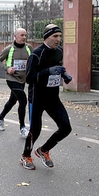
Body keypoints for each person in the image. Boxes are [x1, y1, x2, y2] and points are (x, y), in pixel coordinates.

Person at [20, 24, 72, 170]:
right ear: (47, 37)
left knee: (66, 128)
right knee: (35, 130)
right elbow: (29, 78)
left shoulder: (59, 51)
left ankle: (43, 150)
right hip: (37, 98)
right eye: (55, 36)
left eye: (60, 36)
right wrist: (48, 71)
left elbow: (58, 67)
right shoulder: (36, 54)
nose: (58, 39)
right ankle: (25, 155)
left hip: (53, 97)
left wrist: (64, 74)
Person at [0, 28, 32, 137]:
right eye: (21, 35)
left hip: (22, 79)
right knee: (23, 100)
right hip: (12, 79)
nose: (24, 37)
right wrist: (7, 68)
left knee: (12, 101)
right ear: (15, 36)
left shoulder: (29, 48)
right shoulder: (9, 49)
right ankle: (22, 128)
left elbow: (33, 60)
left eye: (25, 35)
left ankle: (0, 117)